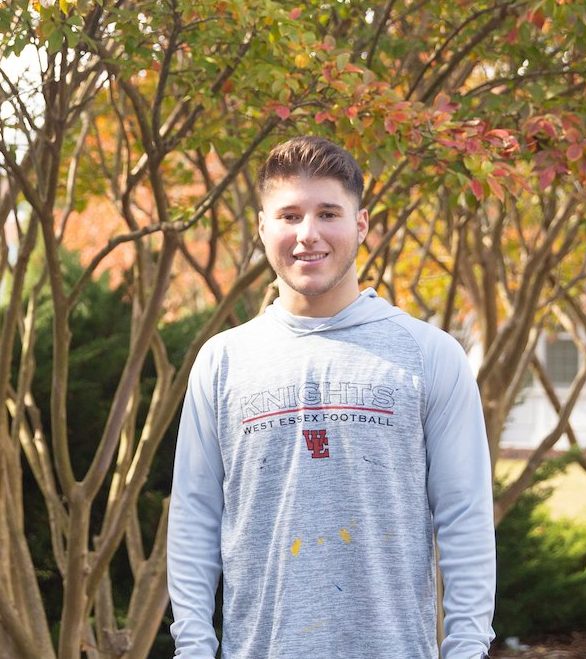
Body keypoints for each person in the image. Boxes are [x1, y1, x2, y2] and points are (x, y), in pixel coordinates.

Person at [167, 136, 496, 658]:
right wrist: (193, 648)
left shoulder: (430, 355)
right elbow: (195, 516)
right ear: (261, 227)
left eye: (328, 213)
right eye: (290, 215)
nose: (308, 234)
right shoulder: (223, 361)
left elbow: (465, 515)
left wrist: (468, 648)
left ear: (360, 225)